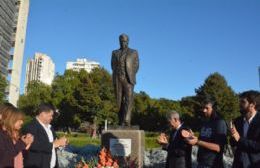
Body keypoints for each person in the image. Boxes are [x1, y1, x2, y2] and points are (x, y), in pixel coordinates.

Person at [186, 98, 227, 168]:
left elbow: (218, 147)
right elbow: (201, 141)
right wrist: (193, 137)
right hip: (201, 162)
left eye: (207, 108)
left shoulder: (219, 122)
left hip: (213, 164)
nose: (204, 110)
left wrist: (198, 142)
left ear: (213, 109)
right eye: (203, 108)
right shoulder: (205, 122)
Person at [23, 103, 67, 168]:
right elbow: (33, 145)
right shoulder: (30, 126)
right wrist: (54, 144)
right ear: (42, 113)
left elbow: (55, 142)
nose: (52, 118)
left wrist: (61, 143)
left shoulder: (50, 127)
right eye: (50, 115)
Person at [111, 34, 139, 126]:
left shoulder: (133, 52)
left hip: (128, 79)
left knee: (128, 99)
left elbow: (136, 65)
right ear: (119, 41)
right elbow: (113, 65)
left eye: (125, 41)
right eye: (122, 41)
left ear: (128, 41)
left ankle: (127, 120)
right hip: (118, 78)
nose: (123, 43)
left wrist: (131, 74)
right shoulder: (115, 52)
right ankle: (120, 121)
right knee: (118, 101)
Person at [230, 90, 260, 168]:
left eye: (243, 102)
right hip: (237, 164)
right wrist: (233, 136)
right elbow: (233, 143)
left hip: (254, 165)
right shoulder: (237, 121)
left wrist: (239, 139)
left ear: (252, 104)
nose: (240, 104)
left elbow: (258, 146)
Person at [0, 104, 34, 168]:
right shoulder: (2, 135)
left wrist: (26, 145)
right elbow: (4, 159)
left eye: (22, 120)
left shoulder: (15, 134)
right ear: (10, 119)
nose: (22, 122)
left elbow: (18, 155)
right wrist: (23, 143)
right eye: (19, 119)